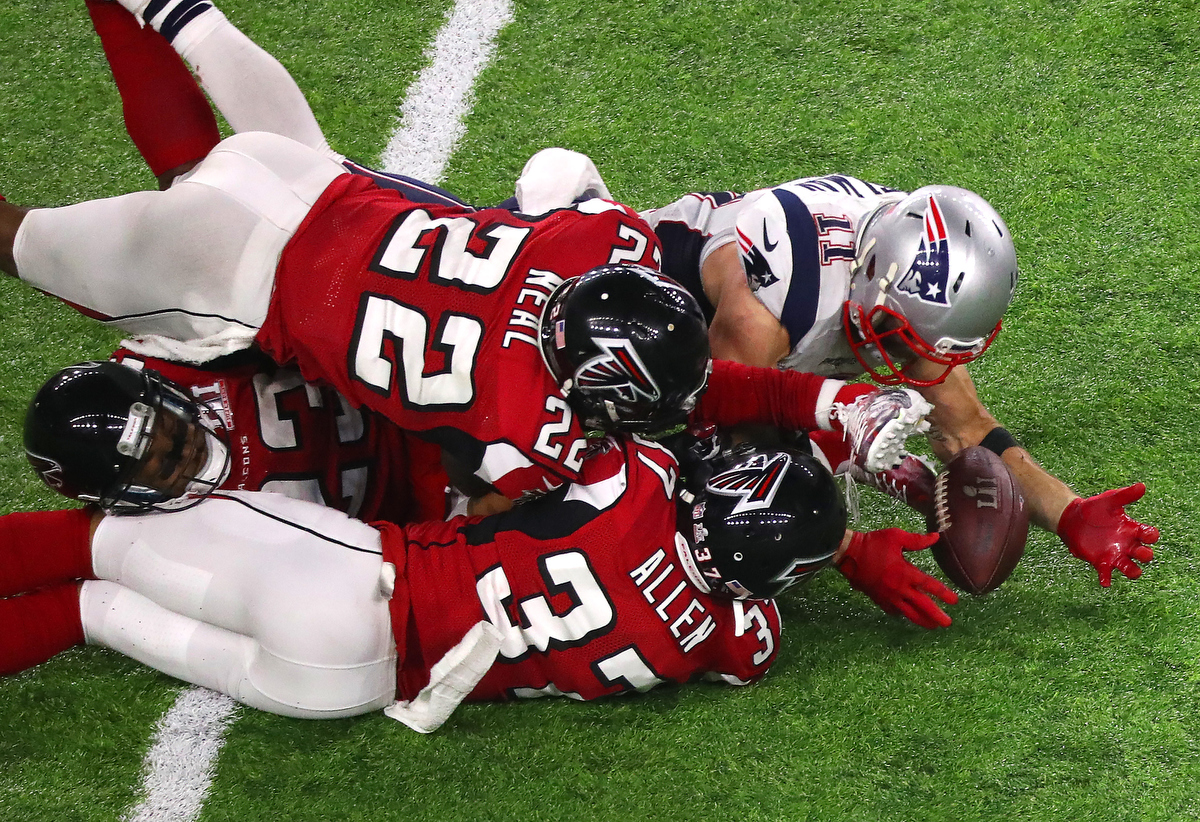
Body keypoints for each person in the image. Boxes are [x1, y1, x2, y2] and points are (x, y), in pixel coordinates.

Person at [0, 427, 959, 732]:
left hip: (358, 590)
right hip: (353, 693)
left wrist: (840, 534)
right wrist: (833, 556)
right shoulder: (736, 642)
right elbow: (745, 604)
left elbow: (640, 447)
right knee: (92, 614)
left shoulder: (641, 484)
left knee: (95, 546)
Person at [635, 176, 1158, 587]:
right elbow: (724, 426)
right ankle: (839, 450)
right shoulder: (784, 287)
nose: (912, 363)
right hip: (635, 337)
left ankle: (840, 447)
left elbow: (964, 430)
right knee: (740, 527)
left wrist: (1068, 512)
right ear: (872, 274)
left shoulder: (902, 268)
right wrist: (847, 548)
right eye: (904, 337)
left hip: (744, 362)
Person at [22, 356, 448, 522]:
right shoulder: (171, 536)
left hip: (407, 389)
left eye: (168, 428)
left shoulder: (171, 355)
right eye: (163, 465)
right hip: (426, 507)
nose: (184, 449)